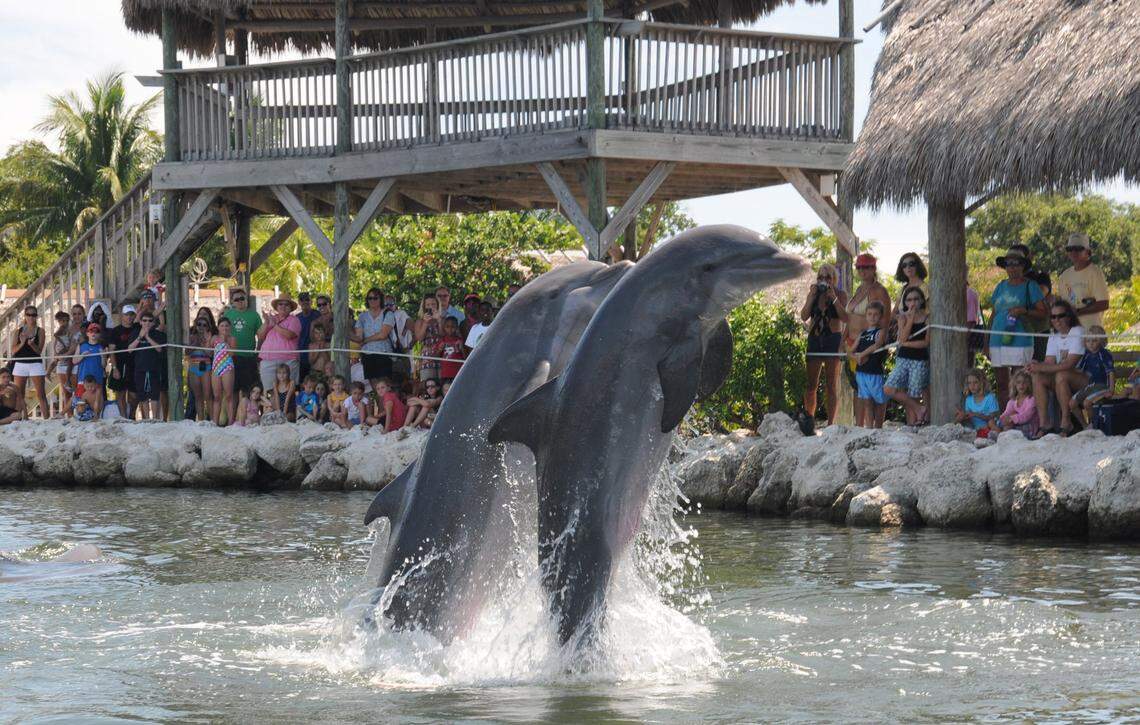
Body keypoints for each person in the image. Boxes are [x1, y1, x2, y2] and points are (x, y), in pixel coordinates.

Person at [988, 247, 1047, 406]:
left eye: (1016, 263)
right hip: (997, 339)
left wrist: (1023, 310)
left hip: (1020, 339)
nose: (1012, 267)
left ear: (1023, 266)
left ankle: (1022, 418)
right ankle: (1004, 419)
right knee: (1001, 383)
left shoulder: (1031, 286)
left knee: (1020, 383)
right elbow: (993, 314)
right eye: (1008, 263)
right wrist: (986, 341)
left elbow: (1043, 313)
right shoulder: (1000, 286)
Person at [1026, 300, 1086, 436]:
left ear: (1069, 316)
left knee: (1061, 375)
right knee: (1038, 376)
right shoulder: (1054, 336)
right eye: (1053, 317)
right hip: (1062, 380)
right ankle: (1044, 424)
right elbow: (1049, 362)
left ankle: (1066, 421)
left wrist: (1041, 367)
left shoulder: (1078, 331)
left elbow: (1069, 364)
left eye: (1060, 316)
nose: (1056, 320)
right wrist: (1035, 366)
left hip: (1083, 379)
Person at [800, 263, 849, 426]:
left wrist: (833, 297)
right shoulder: (813, 292)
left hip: (832, 340)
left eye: (827, 277)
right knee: (811, 384)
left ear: (834, 279)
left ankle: (831, 424)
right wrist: (811, 297)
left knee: (831, 384)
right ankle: (809, 419)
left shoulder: (840, 294)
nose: (823, 280)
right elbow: (804, 316)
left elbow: (845, 317)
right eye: (820, 277)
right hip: (815, 340)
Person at [883, 286, 931, 425]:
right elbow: (902, 338)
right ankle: (919, 410)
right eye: (909, 300)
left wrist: (906, 344)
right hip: (903, 359)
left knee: (914, 394)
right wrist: (910, 319)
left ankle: (915, 424)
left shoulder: (927, 318)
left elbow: (926, 342)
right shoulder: (902, 317)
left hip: (919, 360)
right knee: (889, 388)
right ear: (905, 302)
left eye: (916, 299)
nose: (913, 302)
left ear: (922, 300)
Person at [1056, 232, 1110, 329]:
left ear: (1088, 252)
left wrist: (1078, 312)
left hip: (1091, 333)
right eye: (1069, 249)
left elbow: (1104, 304)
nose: (1073, 252)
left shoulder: (1095, 273)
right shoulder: (1064, 276)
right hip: (1070, 332)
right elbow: (1062, 303)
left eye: (1078, 249)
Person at [848, 300, 887, 429]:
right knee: (867, 402)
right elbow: (851, 351)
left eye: (876, 314)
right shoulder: (862, 334)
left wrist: (862, 354)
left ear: (880, 316)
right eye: (869, 314)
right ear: (866, 316)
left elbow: (877, 345)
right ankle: (869, 428)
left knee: (880, 401)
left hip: (874, 372)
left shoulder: (880, 332)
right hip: (861, 372)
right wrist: (856, 357)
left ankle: (878, 427)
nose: (872, 317)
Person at [9, 305, 50, 419]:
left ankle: (47, 419)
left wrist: (32, 344)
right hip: (20, 363)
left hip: (35, 363)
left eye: (34, 315)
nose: (31, 317)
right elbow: (13, 350)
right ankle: (23, 418)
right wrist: (22, 343)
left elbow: (39, 351)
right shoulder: (18, 331)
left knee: (41, 394)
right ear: (25, 316)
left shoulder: (40, 331)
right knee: (20, 394)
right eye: (29, 315)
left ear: (36, 316)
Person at [1070, 325, 1114, 429]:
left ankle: (1094, 425)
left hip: (1102, 386)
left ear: (1101, 340)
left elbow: (1111, 372)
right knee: (1072, 404)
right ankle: (1085, 426)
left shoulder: (1104, 354)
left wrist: (1111, 389)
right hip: (1090, 386)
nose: (1091, 344)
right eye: (1088, 341)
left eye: (1094, 340)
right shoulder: (1086, 354)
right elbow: (1079, 369)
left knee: (1087, 403)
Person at [844, 253, 892, 347]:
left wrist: (875, 346)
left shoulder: (880, 291)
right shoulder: (859, 289)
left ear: (874, 268)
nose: (861, 270)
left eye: (865, 267)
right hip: (851, 343)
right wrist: (842, 340)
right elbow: (850, 319)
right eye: (858, 267)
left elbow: (885, 323)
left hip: (868, 344)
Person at [127, 312, 167, 420]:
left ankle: (155, 418)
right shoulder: (135, 333)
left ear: (153, 323)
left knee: (154, 395)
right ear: (140, 322)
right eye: (144, 320)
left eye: (150, 321)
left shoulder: (157, 334)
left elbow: (159, 349)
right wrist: (140, 337)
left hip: (154, 368)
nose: (147, 323)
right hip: (140, 369)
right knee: (142, 395)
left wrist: (148, 337)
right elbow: (130, 349)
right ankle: (146, 419)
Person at [257, 294, 301, 390]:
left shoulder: (294, 320)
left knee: (288, 392)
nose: (283, 306)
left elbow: (289, 335)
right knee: (269, 391)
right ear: (277, 307)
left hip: (288, 360)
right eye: (280, 304)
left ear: (290, 308)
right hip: (268, 360)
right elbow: (260, 335)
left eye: (286, 304)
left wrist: (274, 325)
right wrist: (266, 322)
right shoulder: (272, 319)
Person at [222, 288, 262, 394]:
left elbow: (261, 336)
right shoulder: (227, 315)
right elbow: (222, 334)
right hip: (231, 358)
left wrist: (258, 352)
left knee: (249, 391)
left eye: (242, 298)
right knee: (232, 391)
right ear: (232, 302)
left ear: (246, 299)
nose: (240, 301)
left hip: (249, 357)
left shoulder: (254, 315)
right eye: (236, 299)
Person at [351, 287, 396, 382]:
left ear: (381, 299)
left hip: (383, 353)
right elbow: (359, 338)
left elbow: (383, 335)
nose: (372, 300)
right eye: (370, 298)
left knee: (385, 383)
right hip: (367, 354)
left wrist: (366, 340)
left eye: (375, 298)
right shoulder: (362, 316)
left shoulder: (388, 314)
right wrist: (345, 331)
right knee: (373, 382)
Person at [106, 305, 139, 419]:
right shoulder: (115, 331)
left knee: (134, 395)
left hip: (134, 365)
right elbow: (111, 350)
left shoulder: (137, 327)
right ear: (122, 316)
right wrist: (115, 368)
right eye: (126, 315)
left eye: (131, 315)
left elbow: (152, 317)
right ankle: (124, 417)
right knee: (120, 394)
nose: (129, 317)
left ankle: (132, 415)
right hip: (120, 364)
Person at [187, 308, 216, 421]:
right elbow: (187, 352)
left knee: (208, 396)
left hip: (206, 366)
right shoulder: (191, 336)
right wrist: (195, 343)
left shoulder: (211, 336)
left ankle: (212, 420)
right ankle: (201, 420)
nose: (202, 327)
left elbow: (210, 354)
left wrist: (205, 342)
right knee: (198, 397)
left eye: (204, 325)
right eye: (199, 324)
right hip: (194, 366)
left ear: (208, 326)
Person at [992, 369, 1039, 439]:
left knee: (1007, 428)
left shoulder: (1031, 399)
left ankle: (1002, 436)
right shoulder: (1012, 401)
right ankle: (1001, 435)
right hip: (1016, 424)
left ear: (1029, 384)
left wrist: (1012, 418)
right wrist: (1002, 419)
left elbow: (1026, 416)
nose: (1021, 385)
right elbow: (1007, 413)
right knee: (999, 424)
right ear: (1014, 384)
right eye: (1018, 382)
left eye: (1025, 382)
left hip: (1029, 426)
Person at [955, 369, 999, 438]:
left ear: (982, 383)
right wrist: (962, 415)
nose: (972, 386)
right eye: (969, 383)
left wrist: (975, 414)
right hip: (975, 429)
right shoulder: (968, 399)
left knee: (991, 422)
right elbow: (969, 418)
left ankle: (997, 437)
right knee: (959, 419)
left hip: (989, 428)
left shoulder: (990, 398)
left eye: (975, 382)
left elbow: (993, 417)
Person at [210, 317, 237, 426]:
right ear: (218, 327)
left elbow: (232, 354)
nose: (224, 328)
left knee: (229, 395)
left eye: (226, 325)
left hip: (227, 367)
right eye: (222, 326)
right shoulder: (214, 338)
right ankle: (215, 422)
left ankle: (230, 422)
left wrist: (226, 342)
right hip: (216, 367)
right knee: (216, 396)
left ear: (229, 327)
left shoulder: (232, 339)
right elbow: (210, 353)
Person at [48, 310, 74, 416]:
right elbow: (56, 344)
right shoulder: (60, 331)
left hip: (70, 360)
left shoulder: (71, 330)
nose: (65, 322)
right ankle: (69, 415)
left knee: (74, 391)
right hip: (62, 361)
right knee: (66, 392)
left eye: (66, 320)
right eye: (62, 321)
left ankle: (73, 414)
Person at [413, 294, 442, 385]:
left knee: (442, 384)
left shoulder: (442, 319)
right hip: (427, 357)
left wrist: (439, 321)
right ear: (424, 307)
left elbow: (444, 335)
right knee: (428, 384)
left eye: (433, 304)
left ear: (437, 305)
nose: (431, 307)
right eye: (428, 305)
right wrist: (425, 323)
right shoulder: (419, 321)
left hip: (441, 354)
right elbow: (419, 338)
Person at [74, 322, 107, 395]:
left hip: (97, 380)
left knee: (96, 404)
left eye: (96, 332)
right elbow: (74, 361)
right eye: (91, 331)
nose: (93, 333)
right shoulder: (81, 345)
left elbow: (104, 365)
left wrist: (102, 356)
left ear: (99, 334)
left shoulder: (101, 347)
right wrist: (82, 355)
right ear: (87, 333)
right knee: (81, 403)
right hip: (83, 380)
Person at [294, 291, 321, 379]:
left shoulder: (318, 315)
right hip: (301, 354)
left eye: (307, 299)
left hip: (316, 353)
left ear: (311, 301)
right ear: (299, 302)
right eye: (302, 300)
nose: (305, 302)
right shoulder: (296, 318)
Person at [435, 316, 466, 383]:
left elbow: (465, 358)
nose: (450, 329)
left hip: (457, 372)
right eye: (447, 327)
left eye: (453, 327)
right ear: (444, 328)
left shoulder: (460, 340)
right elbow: (436, 358)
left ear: (456, 327)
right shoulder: (442, 340)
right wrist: (440, 349)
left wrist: (461, 348)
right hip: (445, 373)